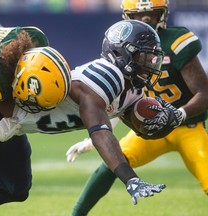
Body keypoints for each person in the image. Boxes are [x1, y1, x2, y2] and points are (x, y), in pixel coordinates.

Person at [0, 19, 167, 215]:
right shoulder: (106, 77)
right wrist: (130, 179)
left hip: (13, 124)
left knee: (15, 189)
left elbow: (136, 123)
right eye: (143, 57)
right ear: (121, 55)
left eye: (151, 57)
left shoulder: (131, 88)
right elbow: (101, 130)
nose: (150, 63)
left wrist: (170, 118)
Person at [66, 0, 208, 215]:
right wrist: (93, 140)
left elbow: (205, 93)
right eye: (140, 14)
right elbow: (118, 99)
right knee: (113, 163)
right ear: (126, 16)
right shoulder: (125, 45)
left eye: (152, 12)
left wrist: (179, 114)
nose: (147, 18)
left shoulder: (178, 40)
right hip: (147, 127)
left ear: (163, 13)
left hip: (188, 127)